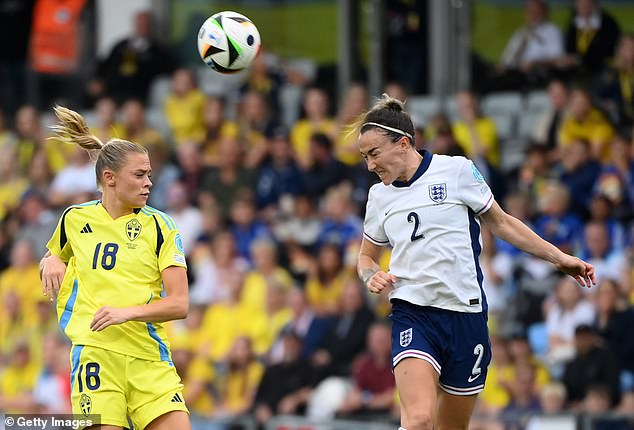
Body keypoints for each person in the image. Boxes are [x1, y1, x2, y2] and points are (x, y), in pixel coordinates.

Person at [355, 95, 595, 430]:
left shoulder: (456, 171)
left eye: (374, 154)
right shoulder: (379, 197)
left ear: (404, 143)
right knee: (419, 420)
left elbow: (503, 223)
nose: (369, 165)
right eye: (365, 157)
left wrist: (559, 258)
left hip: (465, 317)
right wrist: (370, 276)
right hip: (414, 312)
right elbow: (366, 256)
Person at [39, 106, 191, 429]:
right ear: (110, 178)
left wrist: (127, 312)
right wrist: (51, 259)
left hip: (149, 357)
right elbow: (56, 252)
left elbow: (180, 304)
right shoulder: (74, 219)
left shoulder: (162, 226)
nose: (149, 182)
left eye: (149, 174)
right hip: (96, 356)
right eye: (140, 175)